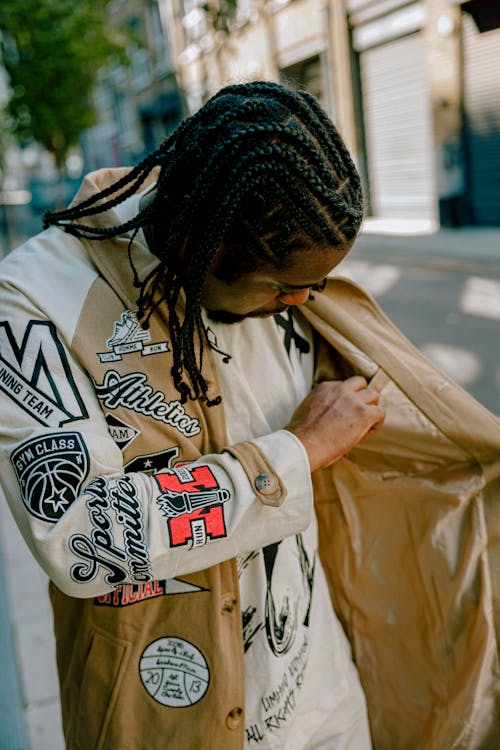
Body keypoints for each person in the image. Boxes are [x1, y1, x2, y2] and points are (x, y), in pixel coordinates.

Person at [0, 80, 384, 749]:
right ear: (202, 251)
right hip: (164, 723)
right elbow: (82, 536)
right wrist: (295, 453)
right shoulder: (33, 304)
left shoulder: (288, 272)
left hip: (326, 708)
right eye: (282, 286)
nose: (305, 299)